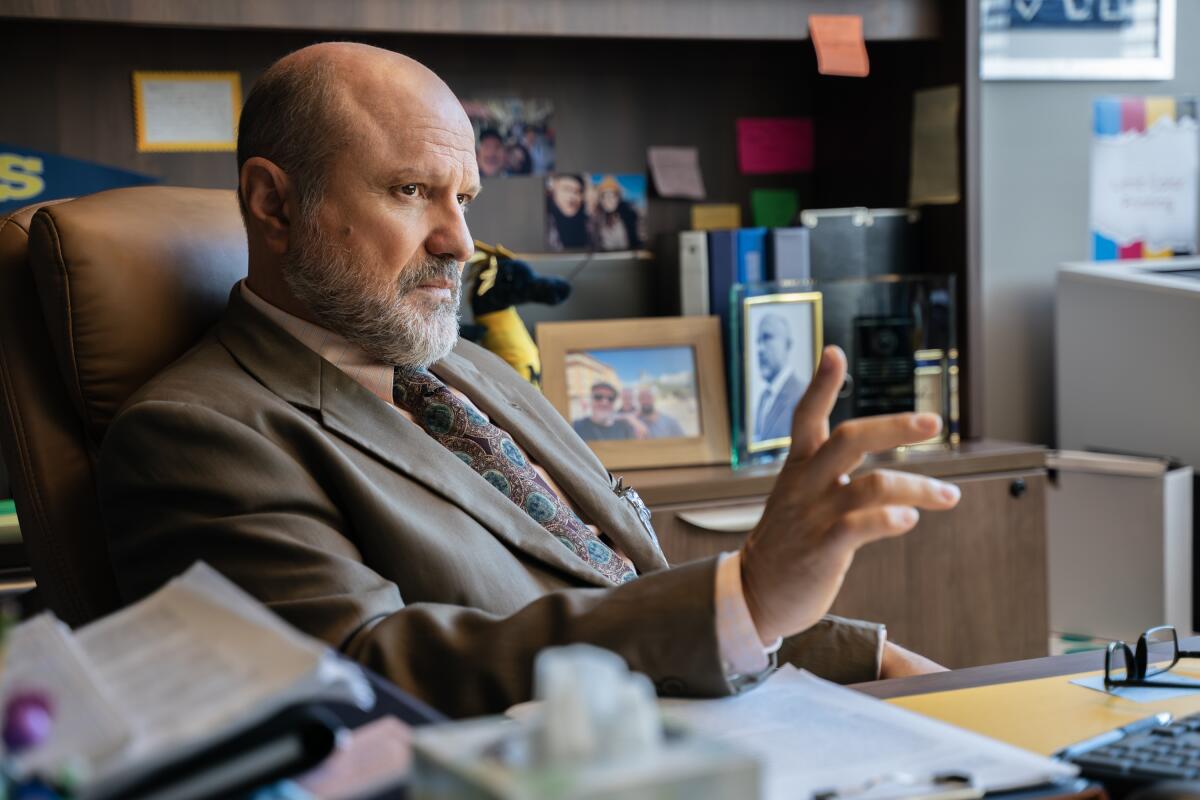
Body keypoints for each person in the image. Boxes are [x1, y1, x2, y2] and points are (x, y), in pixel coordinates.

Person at [99, 43, 960, 720]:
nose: (460, 243)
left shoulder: (473, 371)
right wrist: (748, 597)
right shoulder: (195, 433)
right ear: (274, 204)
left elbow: (615, 589)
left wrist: (863, 659)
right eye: (411, 192)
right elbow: (363, 675)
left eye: (464, 197)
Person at [754, 313, 808, 444]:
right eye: (758, 341)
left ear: (787, 344)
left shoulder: (802, 394)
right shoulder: (763, 398)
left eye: (767, 338)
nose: (760, 349)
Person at [587, 174, 642, 250]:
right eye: (604, 196)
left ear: (618, 198)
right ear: (600, 200)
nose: (609, 199)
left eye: (613, 195)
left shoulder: (630, 217)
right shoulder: (594, 221)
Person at [571, 381, 637, 441]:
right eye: (598, 397)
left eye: (610, 398)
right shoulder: (576, 427)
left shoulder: (624, 428)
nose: (604, 402)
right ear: (591, 400)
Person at [545, 173, 590, 250]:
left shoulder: (589, 225)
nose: (572, 197)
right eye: (566, 189)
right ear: (553, 192)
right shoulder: (546, 222)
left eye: (577, 192)